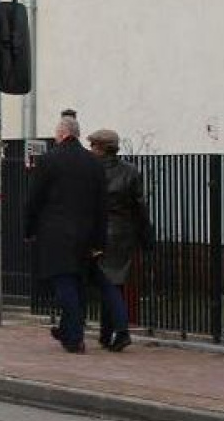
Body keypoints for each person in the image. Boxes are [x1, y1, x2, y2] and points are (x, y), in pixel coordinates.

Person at [25, 116, 108, 353]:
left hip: (55, 234)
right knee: (77, 284)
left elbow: (34, 199)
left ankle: (74, 336)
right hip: (85, 234)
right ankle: (67, 330)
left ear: (62, 134)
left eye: (55, 133)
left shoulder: (49, 160)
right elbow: (102, 205)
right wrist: (99, 240)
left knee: (63, 283)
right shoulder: (94, 163)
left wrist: (29, 229)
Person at [88, 129, 146, 351]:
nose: (91, 150)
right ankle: (106, 332)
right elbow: (139, 205)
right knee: (115, 283)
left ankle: (121, 331)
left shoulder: (93, 172)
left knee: (106, 284)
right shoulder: (130, 171)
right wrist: (144, 233)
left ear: (101, 148)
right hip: (124, 233)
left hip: (101, 233)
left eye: (93, 146)